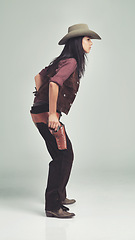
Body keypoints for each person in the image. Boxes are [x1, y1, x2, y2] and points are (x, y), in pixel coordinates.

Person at [30, 23, 101, 218]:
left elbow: (39, 77)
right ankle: (53, 206)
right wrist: (52, 113)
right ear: (78, 42)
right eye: (88, 39)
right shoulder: (71, 62)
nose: (91, 44)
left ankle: (59, 197)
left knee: (61, 155)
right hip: (47, 115)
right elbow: (53, 83)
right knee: (63, 156)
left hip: (39, 112)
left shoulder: (60, 60)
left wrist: (40, 99)